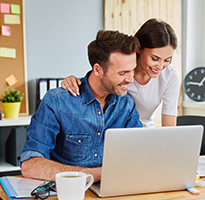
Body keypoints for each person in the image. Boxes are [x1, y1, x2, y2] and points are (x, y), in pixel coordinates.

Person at [20, 30, 142, 182]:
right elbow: (30, 165)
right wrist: (93, 175)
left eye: (132, 70)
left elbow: (139, 154)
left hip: (112, 190)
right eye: (123, 73)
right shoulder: (57, 101)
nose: (131, 79)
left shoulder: (126, 104)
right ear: (98, 69)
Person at [61, 18, 179, 127]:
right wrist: (73, 80)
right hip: (114, 129)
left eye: (167, 60)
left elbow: (169, 127)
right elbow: (99, 78)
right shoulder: (121, 67)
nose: (160, 66)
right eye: (154, 58)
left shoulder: (169, 77)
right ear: (139, 48)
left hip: (143, 131)